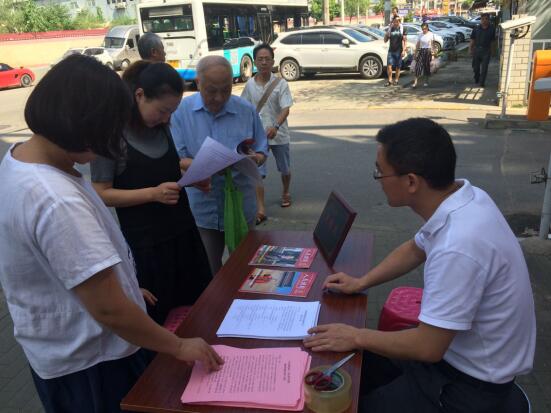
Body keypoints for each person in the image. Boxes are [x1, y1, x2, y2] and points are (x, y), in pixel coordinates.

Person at [0, 54, 223, 413]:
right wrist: (179, 346)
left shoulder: (23, 160)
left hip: (66, 350)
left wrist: (123, 284)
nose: (114, 141)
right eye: (110, 128)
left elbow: (72, 269)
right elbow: (108, 309)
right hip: (92, 361)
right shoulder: (55, 200)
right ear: (83, 124)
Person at [303, 118, 536, 412]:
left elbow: (428, 347)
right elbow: (415, 248)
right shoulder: (467, 197)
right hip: (452, 356)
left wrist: (355, 335)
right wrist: (361, 282)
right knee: (358, 365)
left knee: (352, 399)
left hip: (468, 386)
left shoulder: (458, 246)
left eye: (380, 171)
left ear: (411, 181)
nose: (378, 179)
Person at [90, 61, 212, 325]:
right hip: (147, 247)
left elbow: (166, 169)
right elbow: (100, 193)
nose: (166, 118)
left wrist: (191, 177)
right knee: (160, 319)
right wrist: (152, 194)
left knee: (197, 309)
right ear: (139, 95)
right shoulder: (112, 136)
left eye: (172, 112)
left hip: (184, 235)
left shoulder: (161, 128)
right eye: (162, 110)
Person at [170, 55, 269, 275]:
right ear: (198, 83)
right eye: (211, 91)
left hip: (241, 205)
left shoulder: (245, 110)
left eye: (225, 90)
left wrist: (255, 158)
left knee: (244, 269)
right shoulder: (181, 112)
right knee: (208, 270)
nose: (219, 97)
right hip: (203, 207)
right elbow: (176, 158)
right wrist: (205, 165)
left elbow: (262, 150)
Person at [241, 43, 293, 224]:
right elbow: (244, 108)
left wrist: (276, 126)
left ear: (273, 61)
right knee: (258, 171)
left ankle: (285, 191)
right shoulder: (249, 85)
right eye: (260, 59)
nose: (264, 62)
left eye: (267, 59)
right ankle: (261, 208)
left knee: (285, 169)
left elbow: (286, 108)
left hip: (279, 134)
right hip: (258, 137)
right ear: (255, 62)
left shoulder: (281, 83)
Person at [469, 13, 495, 88]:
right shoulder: (476, 29)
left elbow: (493, 41)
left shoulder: (492, 29)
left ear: (489, 20)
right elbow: (472, 40)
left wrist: (492, 51)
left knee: (484, 68)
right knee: (476, 68)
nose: (484, 20)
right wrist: (470, 49)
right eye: (483, 19)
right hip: (477, 50)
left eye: (486, 19)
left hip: (486, 51)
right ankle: (477, 78)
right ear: (481, 20)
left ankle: (482, 82)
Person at [384, 16, 407, 86]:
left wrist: (404, 50)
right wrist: (387, 34)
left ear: (399, 22)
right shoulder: (390, 29)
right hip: (391, 50)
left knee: (398, 67)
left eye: (397, 21)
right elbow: (385, 40)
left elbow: (405, 41)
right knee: (389, 66)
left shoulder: (402, 29)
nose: (396, 23)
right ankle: (390, 80)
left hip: (399, 51)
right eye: (394, 21)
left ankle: (396, 80)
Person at [412, 23, 435, 88]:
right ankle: (415, 83)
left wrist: (433, 54)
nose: (424, 30)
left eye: (425, 29)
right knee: (418, 66)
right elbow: (418, 44)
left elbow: (432, 44)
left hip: (428, 51)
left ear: (427, 28)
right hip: (421, 51)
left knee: (426, 67)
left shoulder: (431, 34)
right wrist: (415, 53)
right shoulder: (420, 35)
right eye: (422, 29)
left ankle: (426, 81)